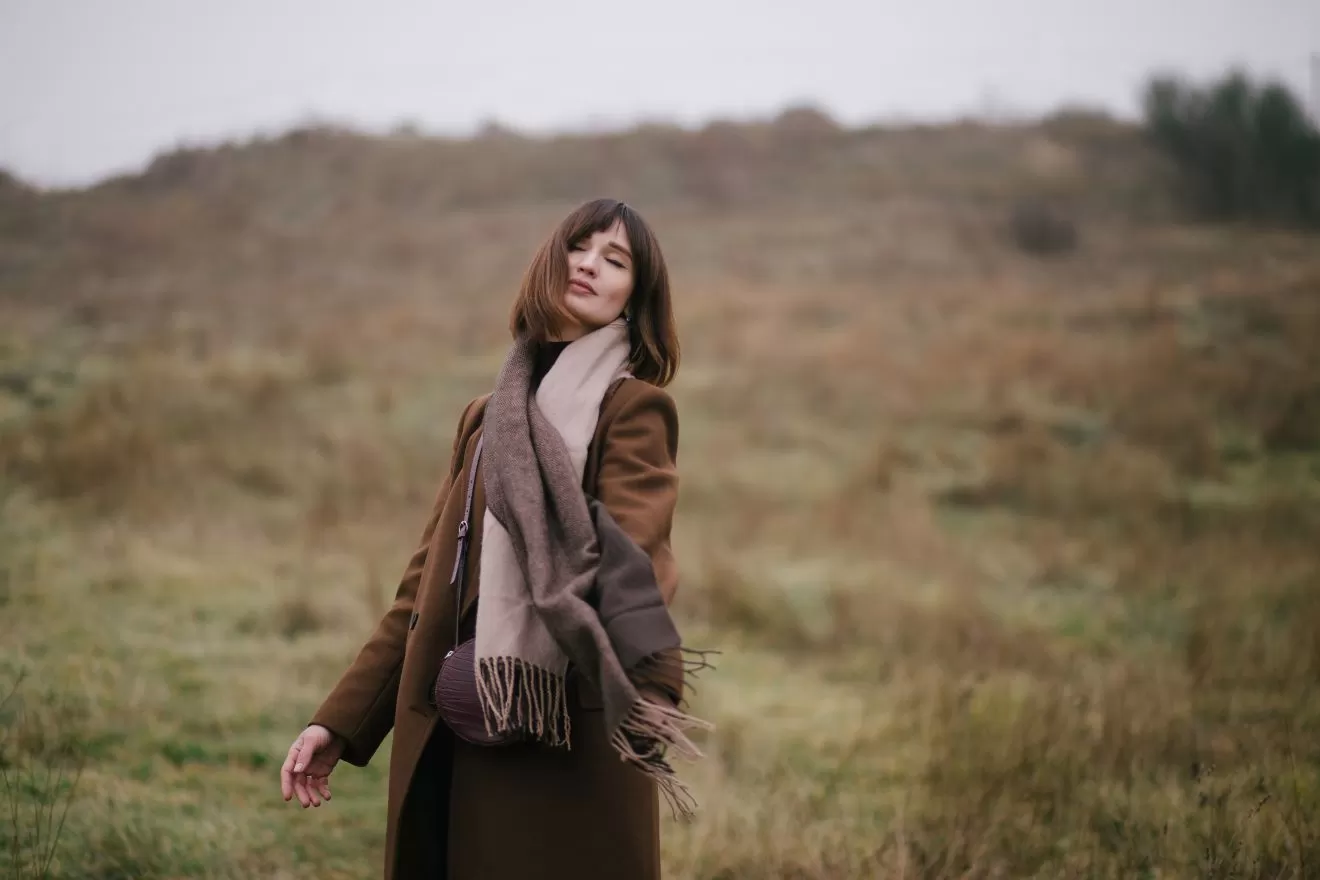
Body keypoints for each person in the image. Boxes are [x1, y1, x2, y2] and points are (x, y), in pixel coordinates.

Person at [278, 198, 707, 880]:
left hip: (565, 731)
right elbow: (423, 590)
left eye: (616, 260)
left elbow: (635, 549)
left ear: (635, 297)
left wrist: (642, 674)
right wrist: (340, 722)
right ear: (550, 258)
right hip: (461, 723)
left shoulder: (633, 409)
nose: (591, 265)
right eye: (580, 246)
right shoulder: (486, 416)